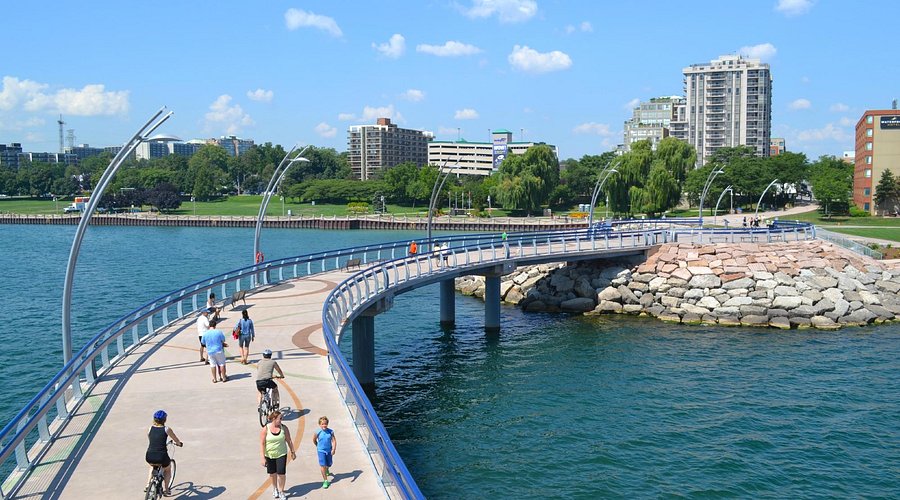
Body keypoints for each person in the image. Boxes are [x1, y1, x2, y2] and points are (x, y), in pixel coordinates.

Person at [146, 410, 183, 497]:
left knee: (152, 465)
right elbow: (175, 439)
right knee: (168, 468)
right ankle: (166, 489)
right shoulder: (167, 429)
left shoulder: (150, 428)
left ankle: (147, 485)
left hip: (149, 455)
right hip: (161, 456)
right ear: (165, 419)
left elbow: (150, 439)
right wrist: (179, 443)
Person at [260, 410, 296, 500]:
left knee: (281, 473)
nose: (281, 420)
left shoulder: (284, 428)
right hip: (270, 454)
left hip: (281, 454)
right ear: (274, 419)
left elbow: (289, 440)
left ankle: (281, 491)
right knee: (273, 473)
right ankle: (275, 489)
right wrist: (262, 457)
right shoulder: (266, 428)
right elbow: (262, 443)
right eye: (280, 418)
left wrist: (293, 452)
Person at [313, 416, 337, 489]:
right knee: (322, 465)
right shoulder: (318, 432)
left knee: (329, 464)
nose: (324, 425)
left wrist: (333, 449)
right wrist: (318, 446)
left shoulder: (330, 432)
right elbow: (314, 440)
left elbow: (334, 440)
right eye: (322, 424)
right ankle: (325, 480)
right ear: (320, 424)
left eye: (325, 424)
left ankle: (327, 469)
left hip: (329, 450)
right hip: (321, 451)